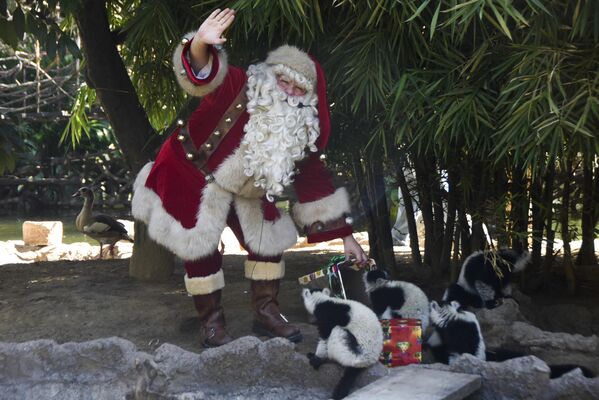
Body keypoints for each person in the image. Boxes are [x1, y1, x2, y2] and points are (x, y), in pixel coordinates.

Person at [131, 8, 367, 347]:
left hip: (244, 190)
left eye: (297, 87)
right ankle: (212, 323)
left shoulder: (301, 131)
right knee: (199, 250)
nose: (286, 90)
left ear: (310, 98)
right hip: (190, 173)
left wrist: (346, 237)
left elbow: (315, 182)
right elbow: (204, 70)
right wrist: (199, 43)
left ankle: (266, 313)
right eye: (281, 80)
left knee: (269, 237)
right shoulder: (238, 85)